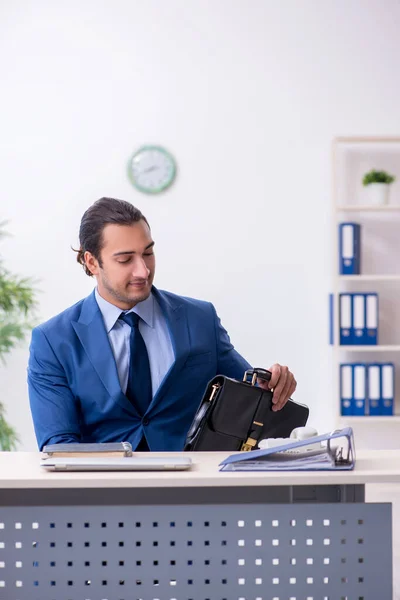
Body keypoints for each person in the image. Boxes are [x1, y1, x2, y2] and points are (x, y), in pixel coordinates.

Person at [28, 197, 297, 451]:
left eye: (148, 253)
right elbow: (59, 447)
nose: (143, 271)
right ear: (92, 262)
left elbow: (249, 400)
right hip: (103, 490)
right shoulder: (53, 340)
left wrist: (273, 384)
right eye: (125, 260)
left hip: (195, 485)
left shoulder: (200, 318)